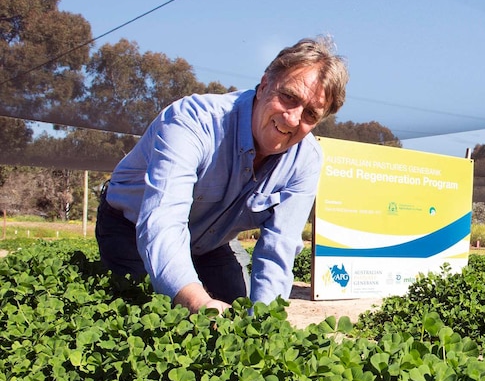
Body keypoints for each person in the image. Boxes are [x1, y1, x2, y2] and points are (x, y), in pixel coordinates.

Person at [95, 36, 348, 314]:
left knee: (242, 314)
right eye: (288, 97)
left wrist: (263, 323)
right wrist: (196, 301)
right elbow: (162, 222)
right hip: (129, 226)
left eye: (311, 114)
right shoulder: (193, 121)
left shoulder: (306, 160)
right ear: (264, 85)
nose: (292, 119)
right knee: (153, 310)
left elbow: (279, 249)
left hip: (210, 242)